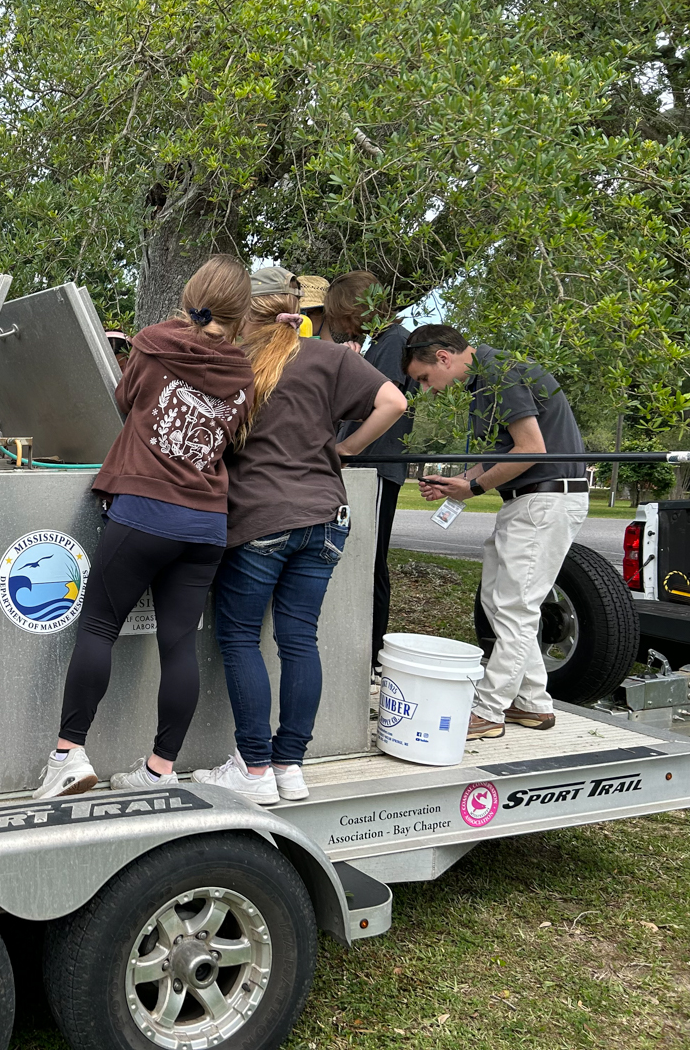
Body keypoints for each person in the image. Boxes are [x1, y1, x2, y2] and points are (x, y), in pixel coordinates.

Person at [34, 256, 255, 799]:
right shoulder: (243, 372)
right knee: (178, 645)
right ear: (241, 313)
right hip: (205, 523)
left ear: (189, 295)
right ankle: (160, 769)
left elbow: (122, 402)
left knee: (100, 627)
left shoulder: (153, 344)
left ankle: (68, 756)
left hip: (144, 512)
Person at [201, 266, 407, 804]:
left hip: (259, 519)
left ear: (247, 311)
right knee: (299, 640)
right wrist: (348, 448)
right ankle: (290, 766)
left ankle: (254, 769)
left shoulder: (231, 363)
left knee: (241, 638)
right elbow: (395, 403)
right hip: (325, 518)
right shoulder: (332, 357)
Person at [404, 325, 588, 739]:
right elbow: (502, 455)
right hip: (531, 499)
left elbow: (531, 449)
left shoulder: (500, 375)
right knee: (499, 599)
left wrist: (473, 486)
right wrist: (460, 483)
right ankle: (533, 704)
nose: (428, 389)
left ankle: (489, 711)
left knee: (515, 606)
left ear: (443, 358)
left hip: (544, 500)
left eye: (424, 379)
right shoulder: (489, 375)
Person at [323, 271, 418, 665]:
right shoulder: (378, 342)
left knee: (372, 561)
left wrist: (346, 449)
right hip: (364, 468)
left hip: (375, 468)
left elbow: (388, 402)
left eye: (340, 315)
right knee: (363, 557)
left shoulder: (394, 341)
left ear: (354, 311)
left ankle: (374, 650)